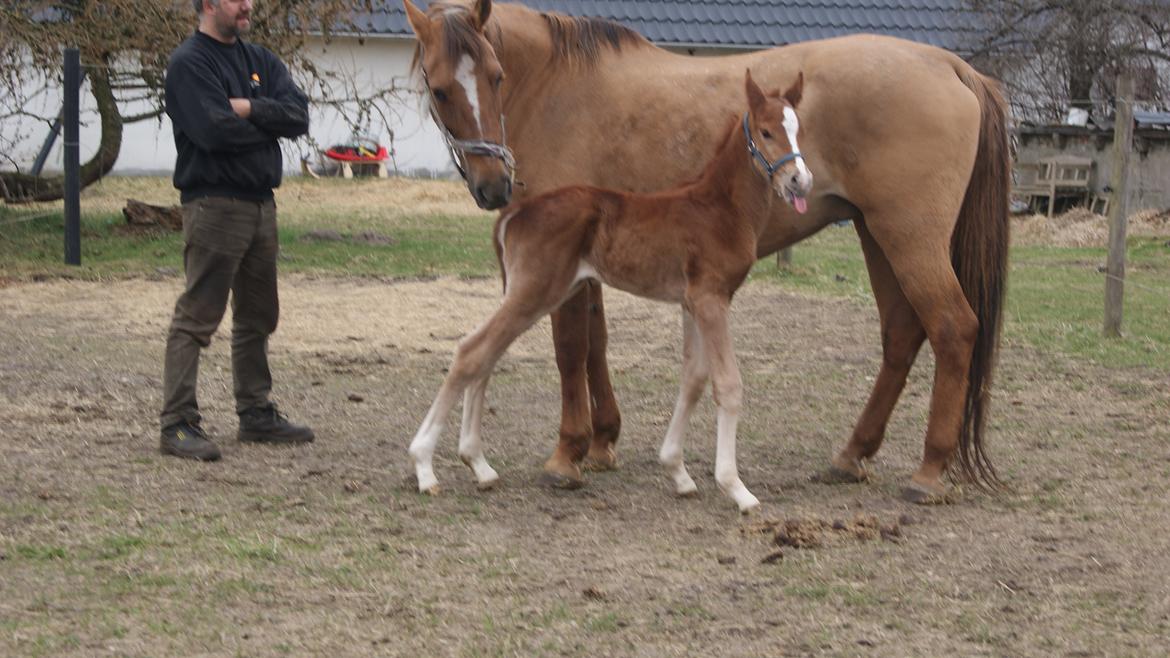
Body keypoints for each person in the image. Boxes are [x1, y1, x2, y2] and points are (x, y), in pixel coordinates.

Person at [159, 0, 314, 461]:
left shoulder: (261, 60)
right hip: (214, 205)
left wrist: (247, 107)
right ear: (208, 4)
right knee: (198, 317)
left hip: (261, 205)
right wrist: (269, 127)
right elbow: (212, 132)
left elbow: (299, 116)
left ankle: (255, 413)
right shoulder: (189, 63)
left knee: (258, 315)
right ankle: (178, 424)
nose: (248, 5)